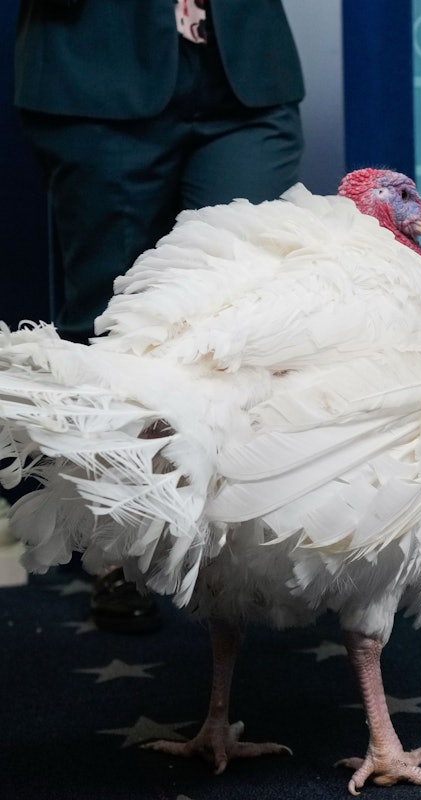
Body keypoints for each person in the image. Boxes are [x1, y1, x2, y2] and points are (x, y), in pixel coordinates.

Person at [13, 0, 305, 632]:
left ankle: (240, 543)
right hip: (95, 73)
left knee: (245, 310)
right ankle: (115, 542)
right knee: (110, 321)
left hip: (244, 75)